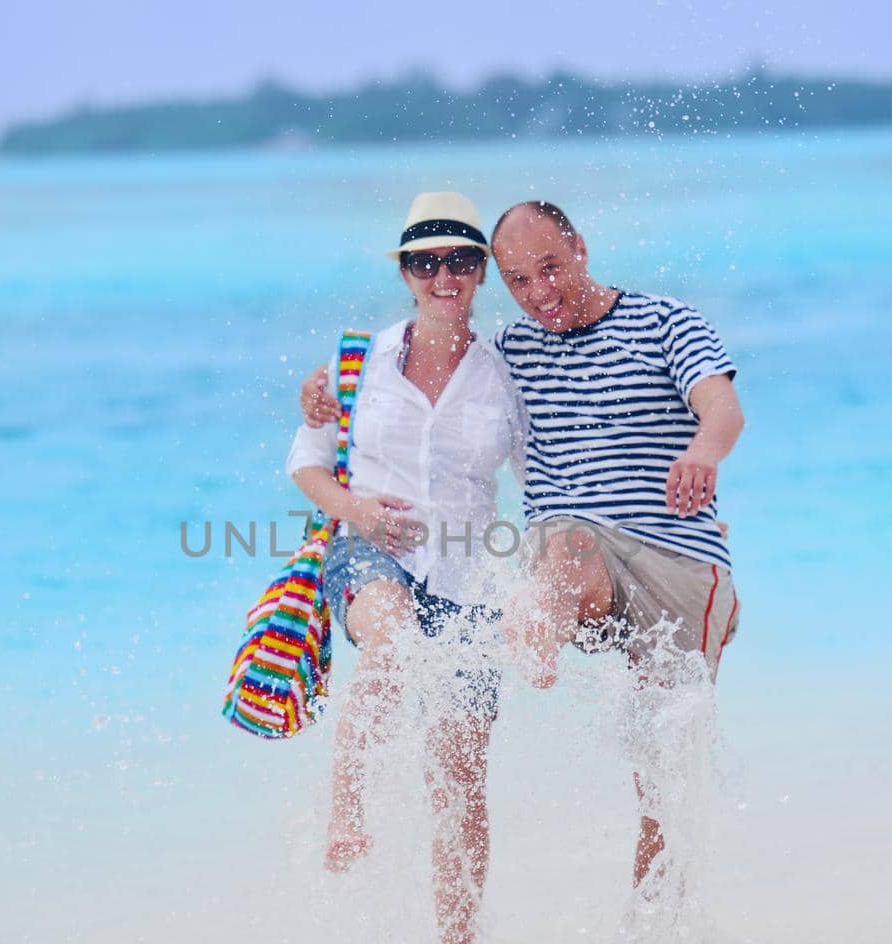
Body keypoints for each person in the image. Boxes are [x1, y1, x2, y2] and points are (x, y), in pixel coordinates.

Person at [302, 200, 743, 905]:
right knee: (565, 542)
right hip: (566, 556)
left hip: (675, 562)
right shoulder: (506, 350)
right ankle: (536, 627)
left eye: (551, 269)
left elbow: (722, 407)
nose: (539, 295)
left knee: (663, 782)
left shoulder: (660, 322)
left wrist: (703, 452)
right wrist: (324, 401)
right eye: (520, 280)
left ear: (582, 249)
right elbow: (406, 375)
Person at [286, 191, 523, 944]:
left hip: (469, 579)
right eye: (425, 262)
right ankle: (348, 814)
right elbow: (306, 466)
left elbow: (549, 482)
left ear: (482, 272)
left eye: (459, 260)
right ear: (407, 274)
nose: (442, 276)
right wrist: (356, 508)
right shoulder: (357, 361)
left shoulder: (507, 375)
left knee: (460, 779)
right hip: (370, 550)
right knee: (386, 643)